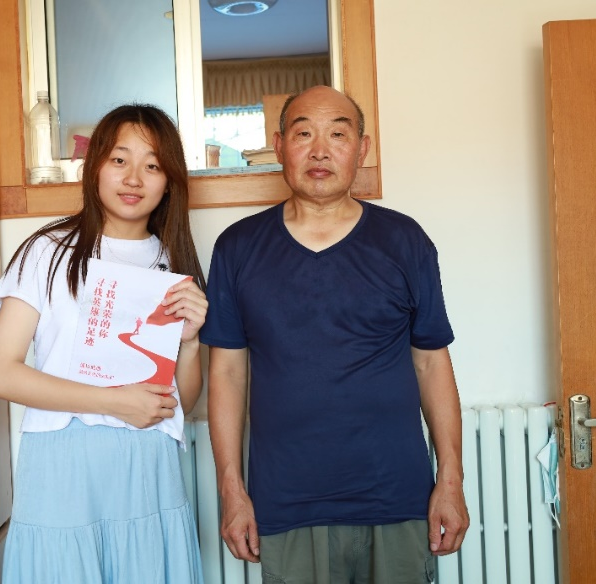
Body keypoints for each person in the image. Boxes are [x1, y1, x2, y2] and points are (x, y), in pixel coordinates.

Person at [200, 86, 469, 584]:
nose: (320, 151)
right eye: (304, 134)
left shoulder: (405, 241)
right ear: (279, 146)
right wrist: (232, 492)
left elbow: (432, 362)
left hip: (397, 498)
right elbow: (227, 375)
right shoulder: (237, 248)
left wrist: (450, 481)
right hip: (286, 504)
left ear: (361, 149)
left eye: (338, 135)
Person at [0, 104, 208, 583]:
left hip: (147, 467)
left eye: (153, 165)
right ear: (95, 168)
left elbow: (182, 403)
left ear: (169, 182)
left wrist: (189, 345)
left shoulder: (173, 262)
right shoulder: (47, 251)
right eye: (119, 160)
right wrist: (113, 401)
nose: (133, 178)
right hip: (64, 466)